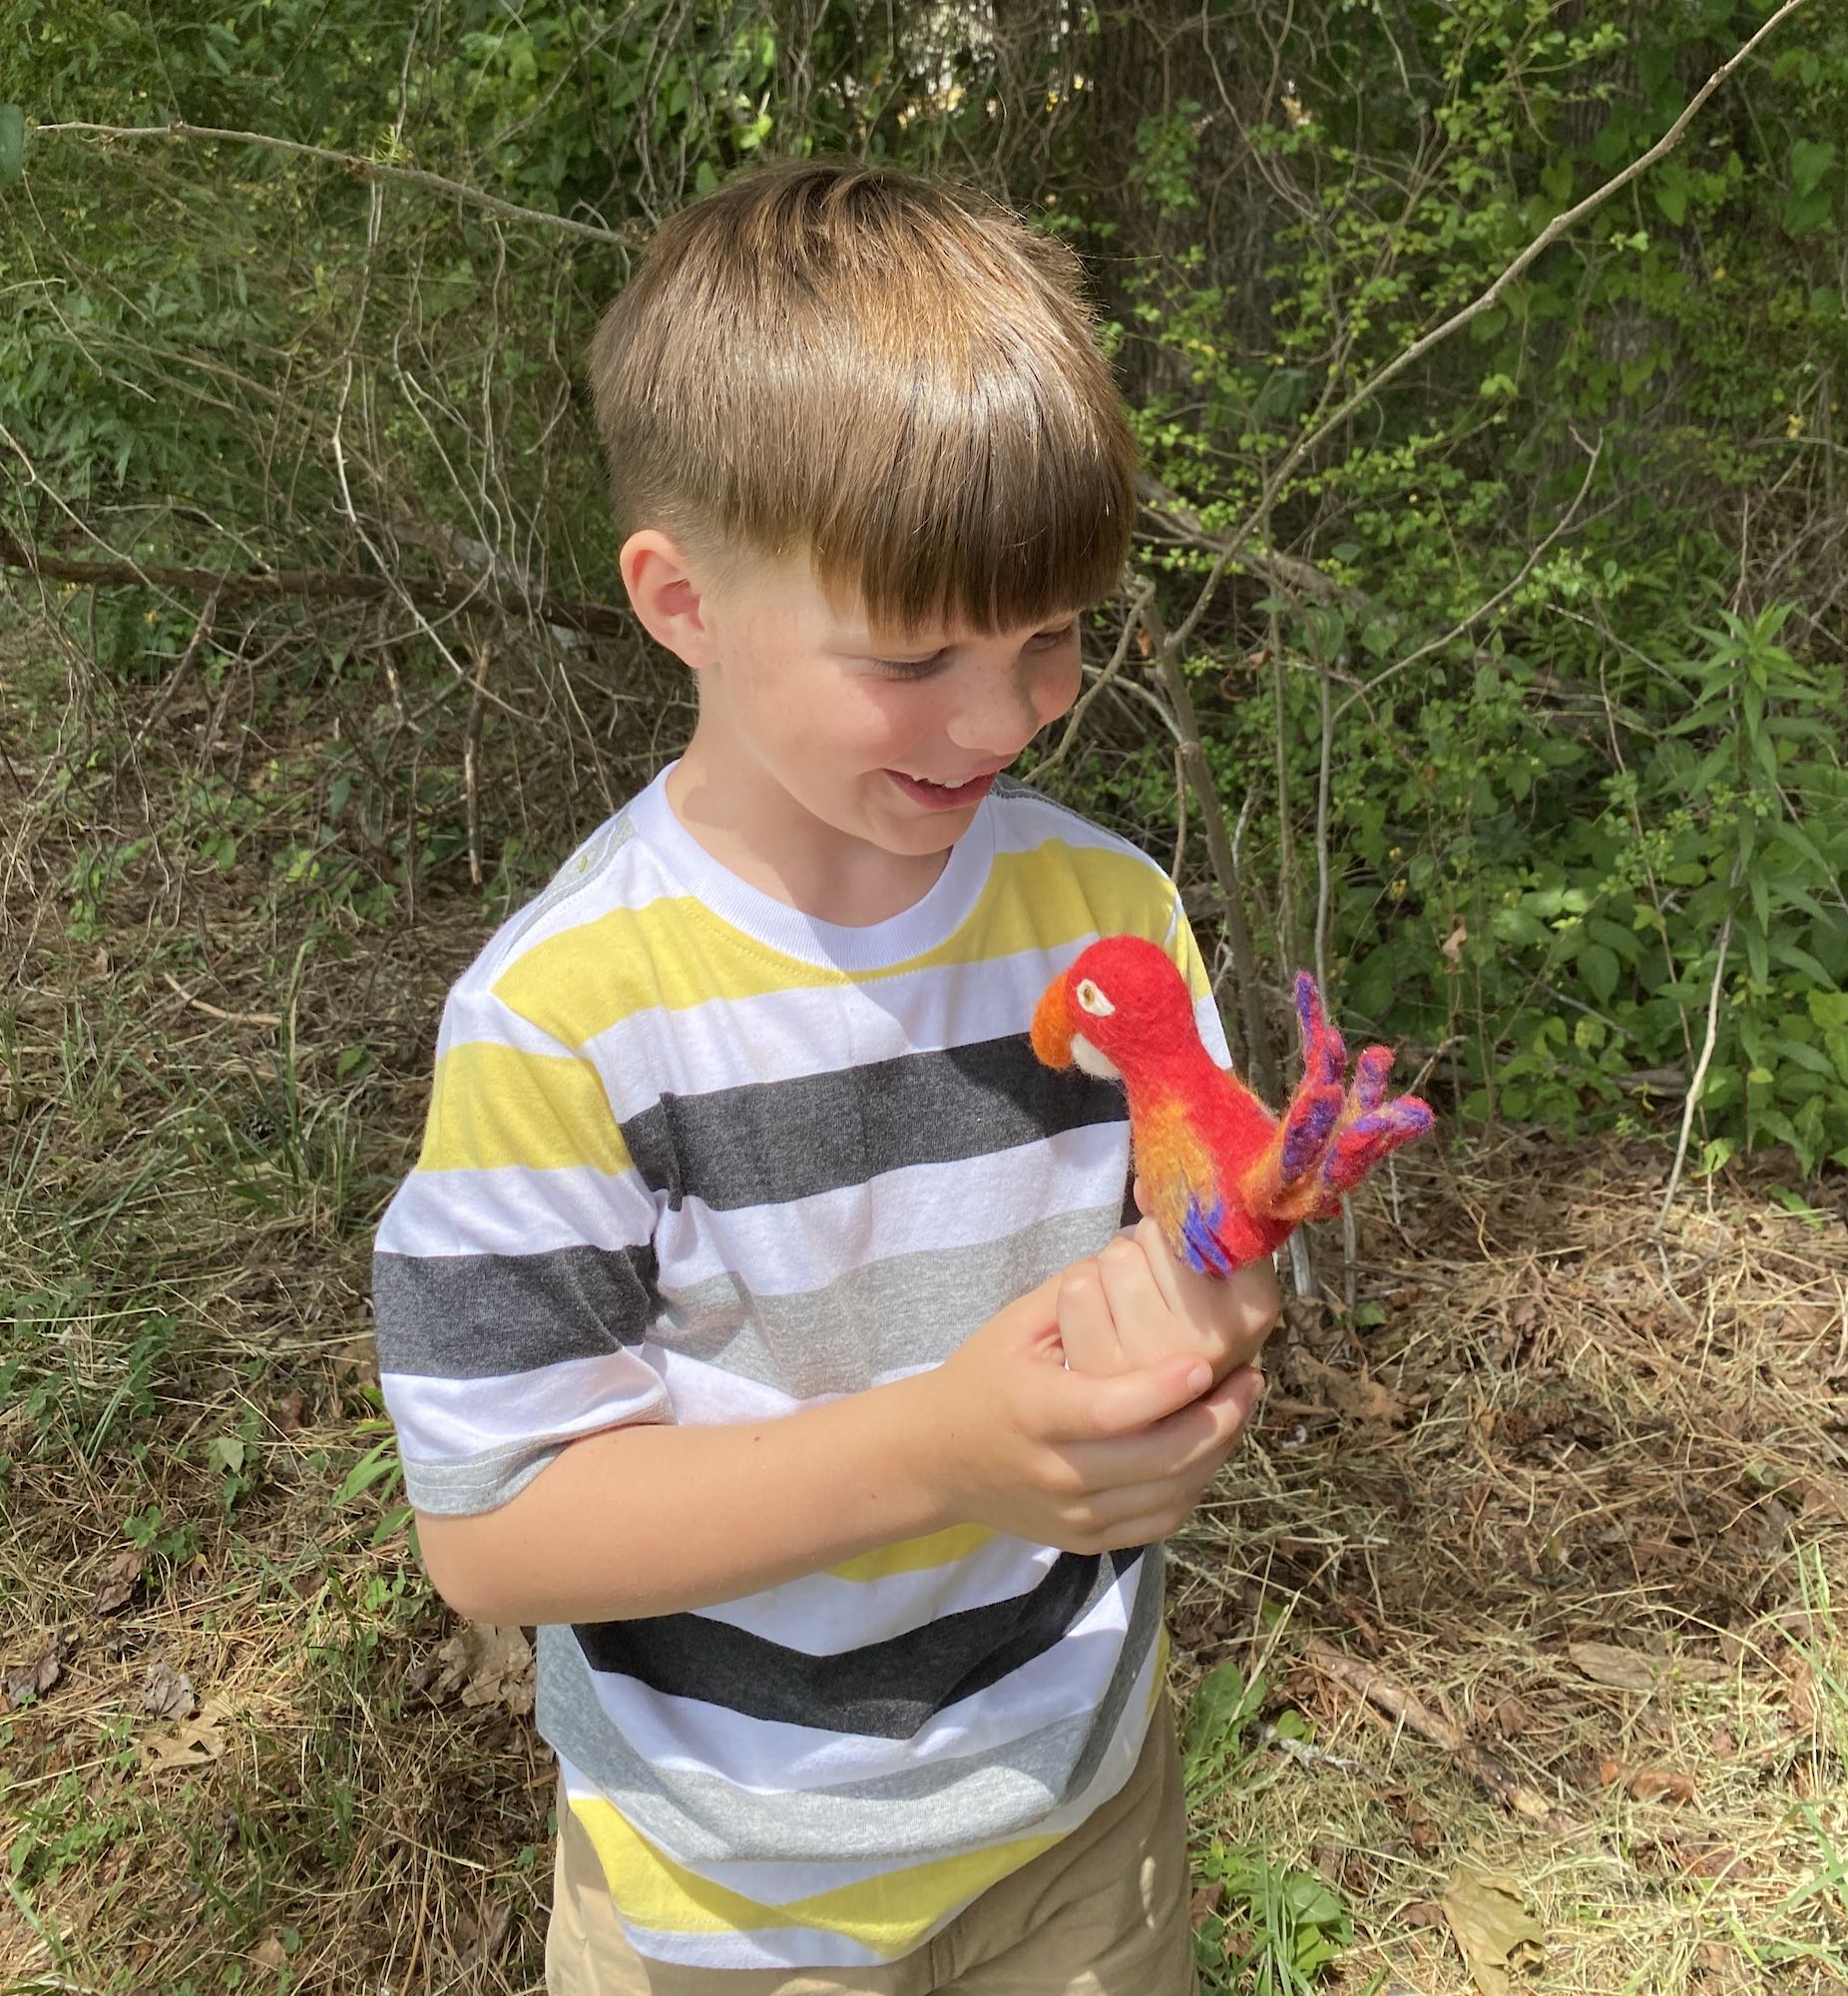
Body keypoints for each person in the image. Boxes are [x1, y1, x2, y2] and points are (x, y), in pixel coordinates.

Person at [370, 157, 1281, 1995]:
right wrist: (943, 1451)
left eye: (1049, 638)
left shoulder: (1108, 917)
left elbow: (1219, 1233)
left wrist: (1203, 1320)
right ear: (681, 599)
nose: (1004, 716)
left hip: (1076, 1815)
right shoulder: (572, 1015)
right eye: (915, 653)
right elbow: (495, 1534)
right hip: (729, 1887)